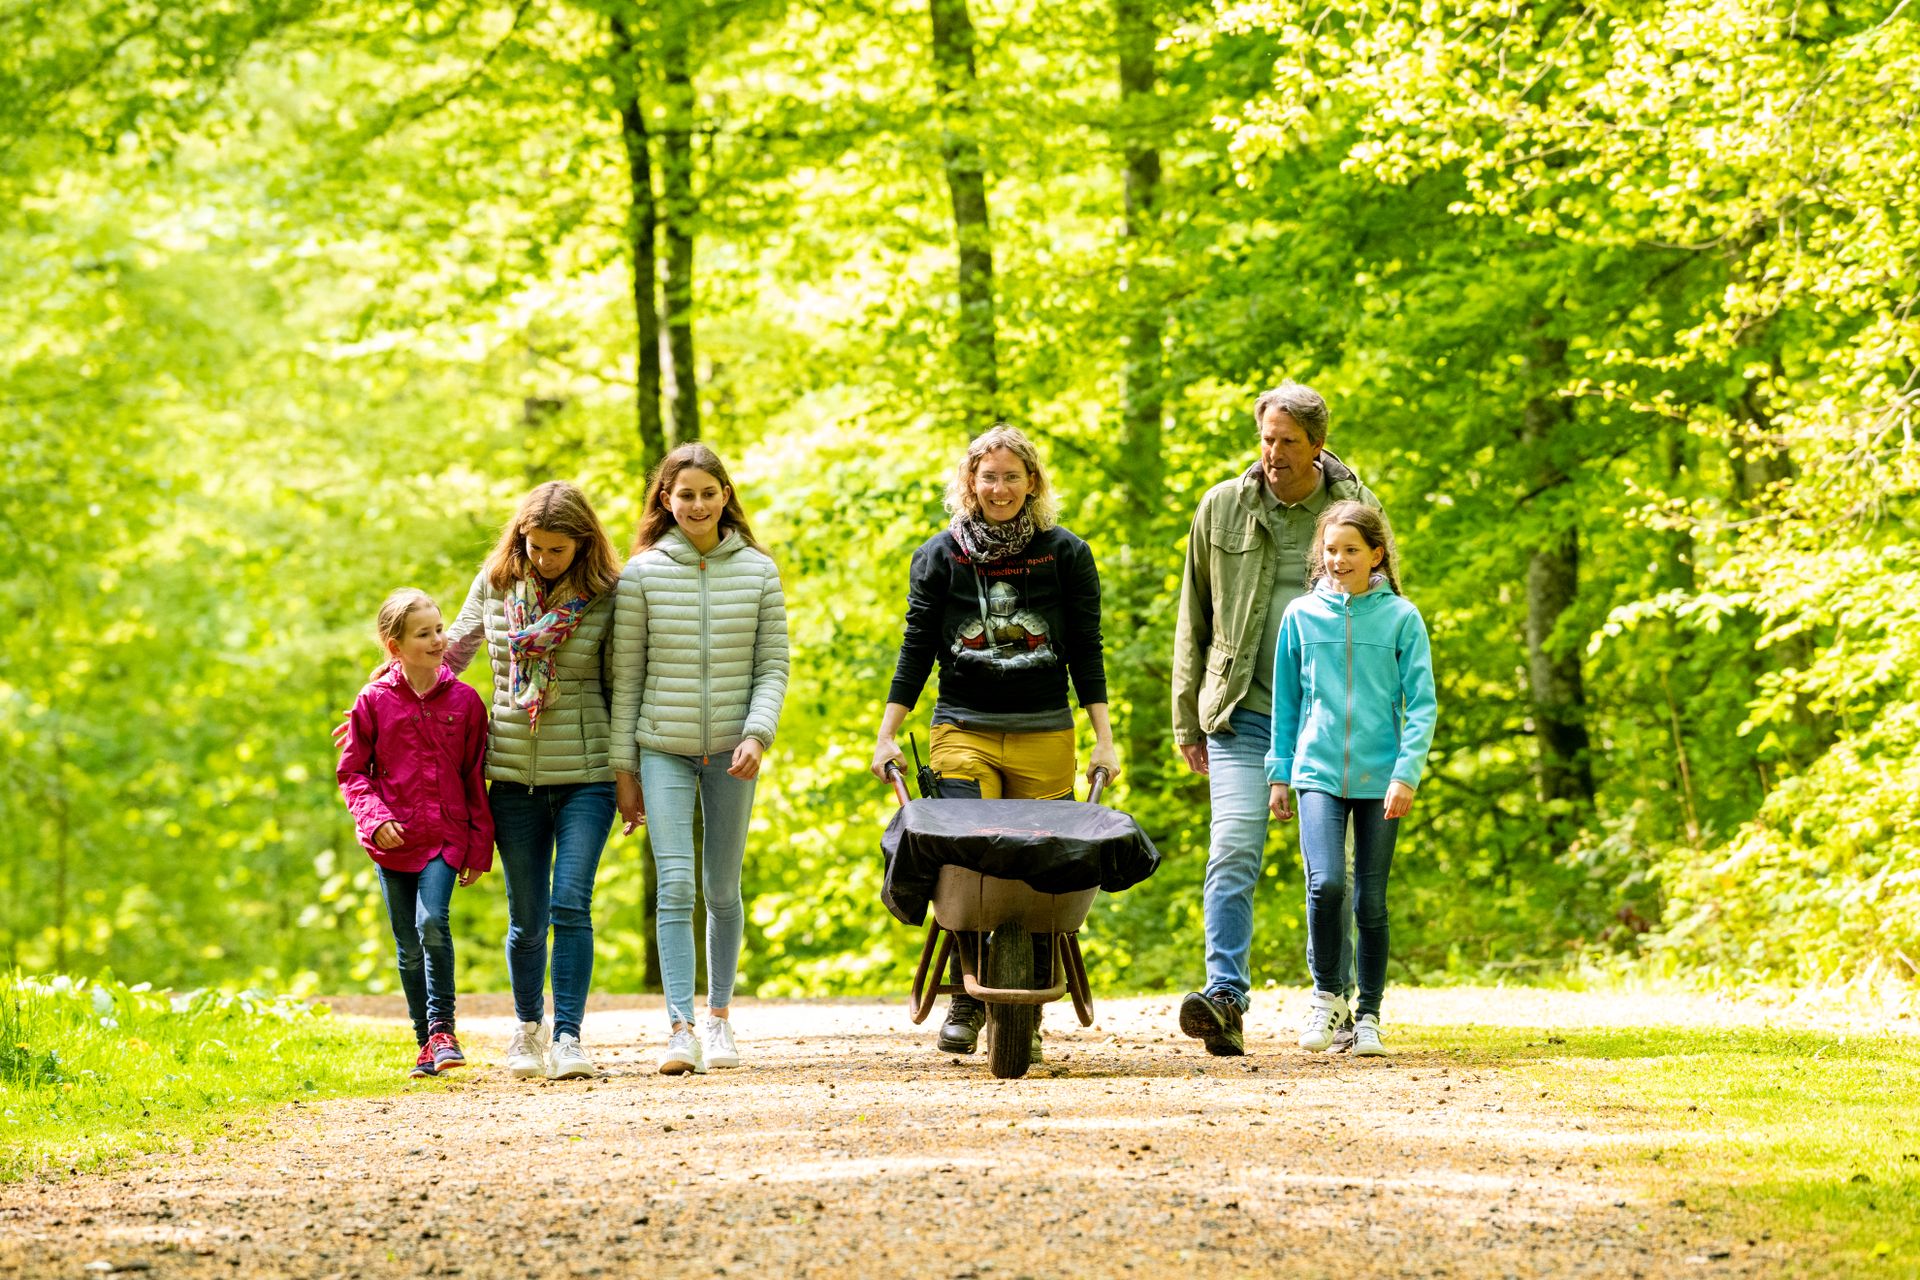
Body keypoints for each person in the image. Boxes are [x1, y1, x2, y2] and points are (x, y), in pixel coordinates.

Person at [871, 423, 1119, 1059]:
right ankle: (966, 995)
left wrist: (1104, 739)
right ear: (970, 482)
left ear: (1032, 482)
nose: (1000, 489)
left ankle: (1026, 1010)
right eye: (989, 477)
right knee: (966, 863)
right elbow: (916, 647)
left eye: (1012, 477)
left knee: (1041, 867)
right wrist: (888, 733)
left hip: (1046, 731)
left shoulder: (1066, 554)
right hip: (963, 729)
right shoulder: (938, 556)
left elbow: (1086, 648)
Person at [1171, 382, 1385, 1056]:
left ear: (1318, 445)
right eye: (1267, 439)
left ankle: (1338, 1001)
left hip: (1331, 725)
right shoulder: (1222, 507)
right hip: (1241, 714)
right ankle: (1225, 997)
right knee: (1233, 849)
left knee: (1329, 875)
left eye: (1288, 441)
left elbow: (1387, 609)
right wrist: (1187, 718)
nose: (1273, 453)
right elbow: (1193, 613)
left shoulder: (1356, 508)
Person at [609, 443, 790, 1076]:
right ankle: (679, 1028)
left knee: (721, 888)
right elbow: (626, 678)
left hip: (734, 754)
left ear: (725, 496)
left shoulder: (759, 572)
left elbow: (772, 667)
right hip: (663, 748)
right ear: (666, 500)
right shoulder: (641, 575)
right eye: (685, 494)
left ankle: (719, 1020)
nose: (697, 504)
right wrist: (624, 770)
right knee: (676, 885)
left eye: (708, 493)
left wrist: (757, 735)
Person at [446, 481, 624, 1079]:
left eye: (558, 550)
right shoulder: (494, 584)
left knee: (570, 902)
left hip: (587, 775)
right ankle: (527, 1028)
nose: (544, 559)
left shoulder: (607, 594)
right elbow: (453, 653)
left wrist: (629, 774)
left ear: (583, 544)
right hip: (511, 775)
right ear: (520, 537)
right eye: (535, 546)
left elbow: (623, 684)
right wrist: (386, 689)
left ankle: (569, 1037)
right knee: (526, 916)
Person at [1267, 501, 1436, 1056]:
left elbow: (1422, 704)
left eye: (1350, 550)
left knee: (1370, 901)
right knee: (1326, 885)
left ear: (1376, 555)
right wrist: (1279, 772)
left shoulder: (1402, 618)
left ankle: (1368, 1015)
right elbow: (1286, 702)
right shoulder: (1300, 616)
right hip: (1316, 771)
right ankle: (1327, 997)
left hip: (1381, 777)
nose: (1338, 560)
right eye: (1330, 550)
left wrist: (1406, 774)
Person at [336, 589, 493, 1079]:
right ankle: (426, 1043)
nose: (438, 640)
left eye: (440, 630)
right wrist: (375, 819)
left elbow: (474, 778)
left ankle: (444, 1029)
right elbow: (352, 773)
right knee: (407, 947)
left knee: (432, 923)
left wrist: (478, 847)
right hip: (394, 840)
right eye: (424, 634)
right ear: (395, 646)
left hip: (445, 837)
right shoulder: (373, 701)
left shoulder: (466, 702)